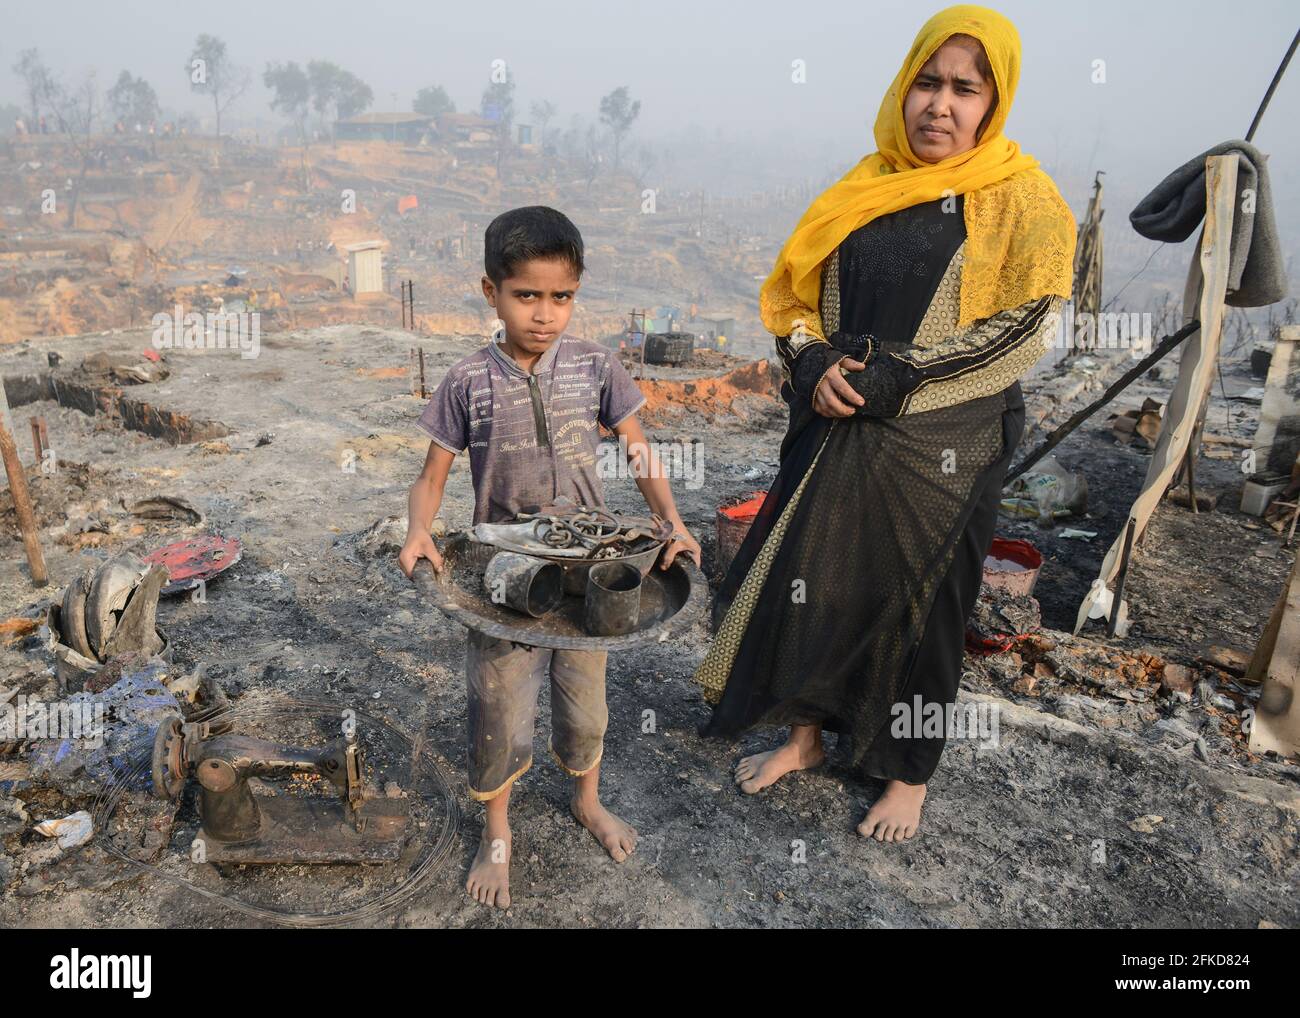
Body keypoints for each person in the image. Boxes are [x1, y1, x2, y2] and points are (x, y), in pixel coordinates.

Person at [693, 5, 1075, 843]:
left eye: (964, 89)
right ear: (903, 89)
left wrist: (903, 376)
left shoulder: (1024, 200)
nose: (940, 105)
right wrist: (809, 362)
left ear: (994, 100)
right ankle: (805, 737)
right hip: (839, 417)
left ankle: (906, 773)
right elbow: (796, 295)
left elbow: (1022, 327)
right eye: (927, 83)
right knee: (817, 579)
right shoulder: (865, 185)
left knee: (925, 598)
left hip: (948, 438)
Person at [399, 206, 702, 908]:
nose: (544, 315)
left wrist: (671, 521)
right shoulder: (468, 381)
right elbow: (432, 475)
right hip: (504, 576)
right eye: (525, 296)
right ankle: (497, 831)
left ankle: (586, 801)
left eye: (560, 297)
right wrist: (417, 528)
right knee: (500, 708)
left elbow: (639, 448)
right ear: (491, 292)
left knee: (586, 706)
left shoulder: (596, 366)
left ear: (576, 295)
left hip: (590, 570)